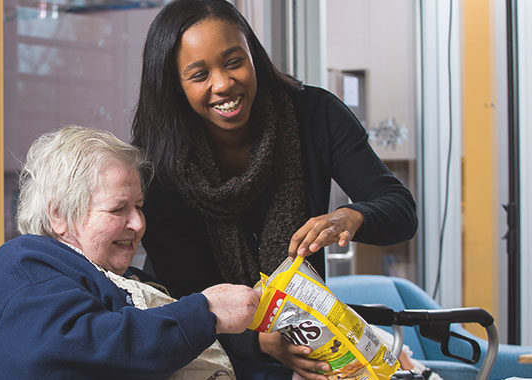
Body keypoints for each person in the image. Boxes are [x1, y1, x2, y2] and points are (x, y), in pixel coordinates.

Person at [130, 0, 418, 379]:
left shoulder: (314, 114)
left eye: (234, 61)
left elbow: (401, 211)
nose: (223, 83)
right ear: (175, 85)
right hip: (206, 350)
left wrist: (352, 216)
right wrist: (261, 341)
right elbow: (185, 291)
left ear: (253, 54)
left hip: (308, 339)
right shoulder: (159, 161)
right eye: (199, 75)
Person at [0, 125, 260, 379]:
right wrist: (205, 313)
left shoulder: (125, 276)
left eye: (139, 207)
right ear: (59, 215)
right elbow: (85, 351)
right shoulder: (24, 263)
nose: (138, 223)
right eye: (118, 209)